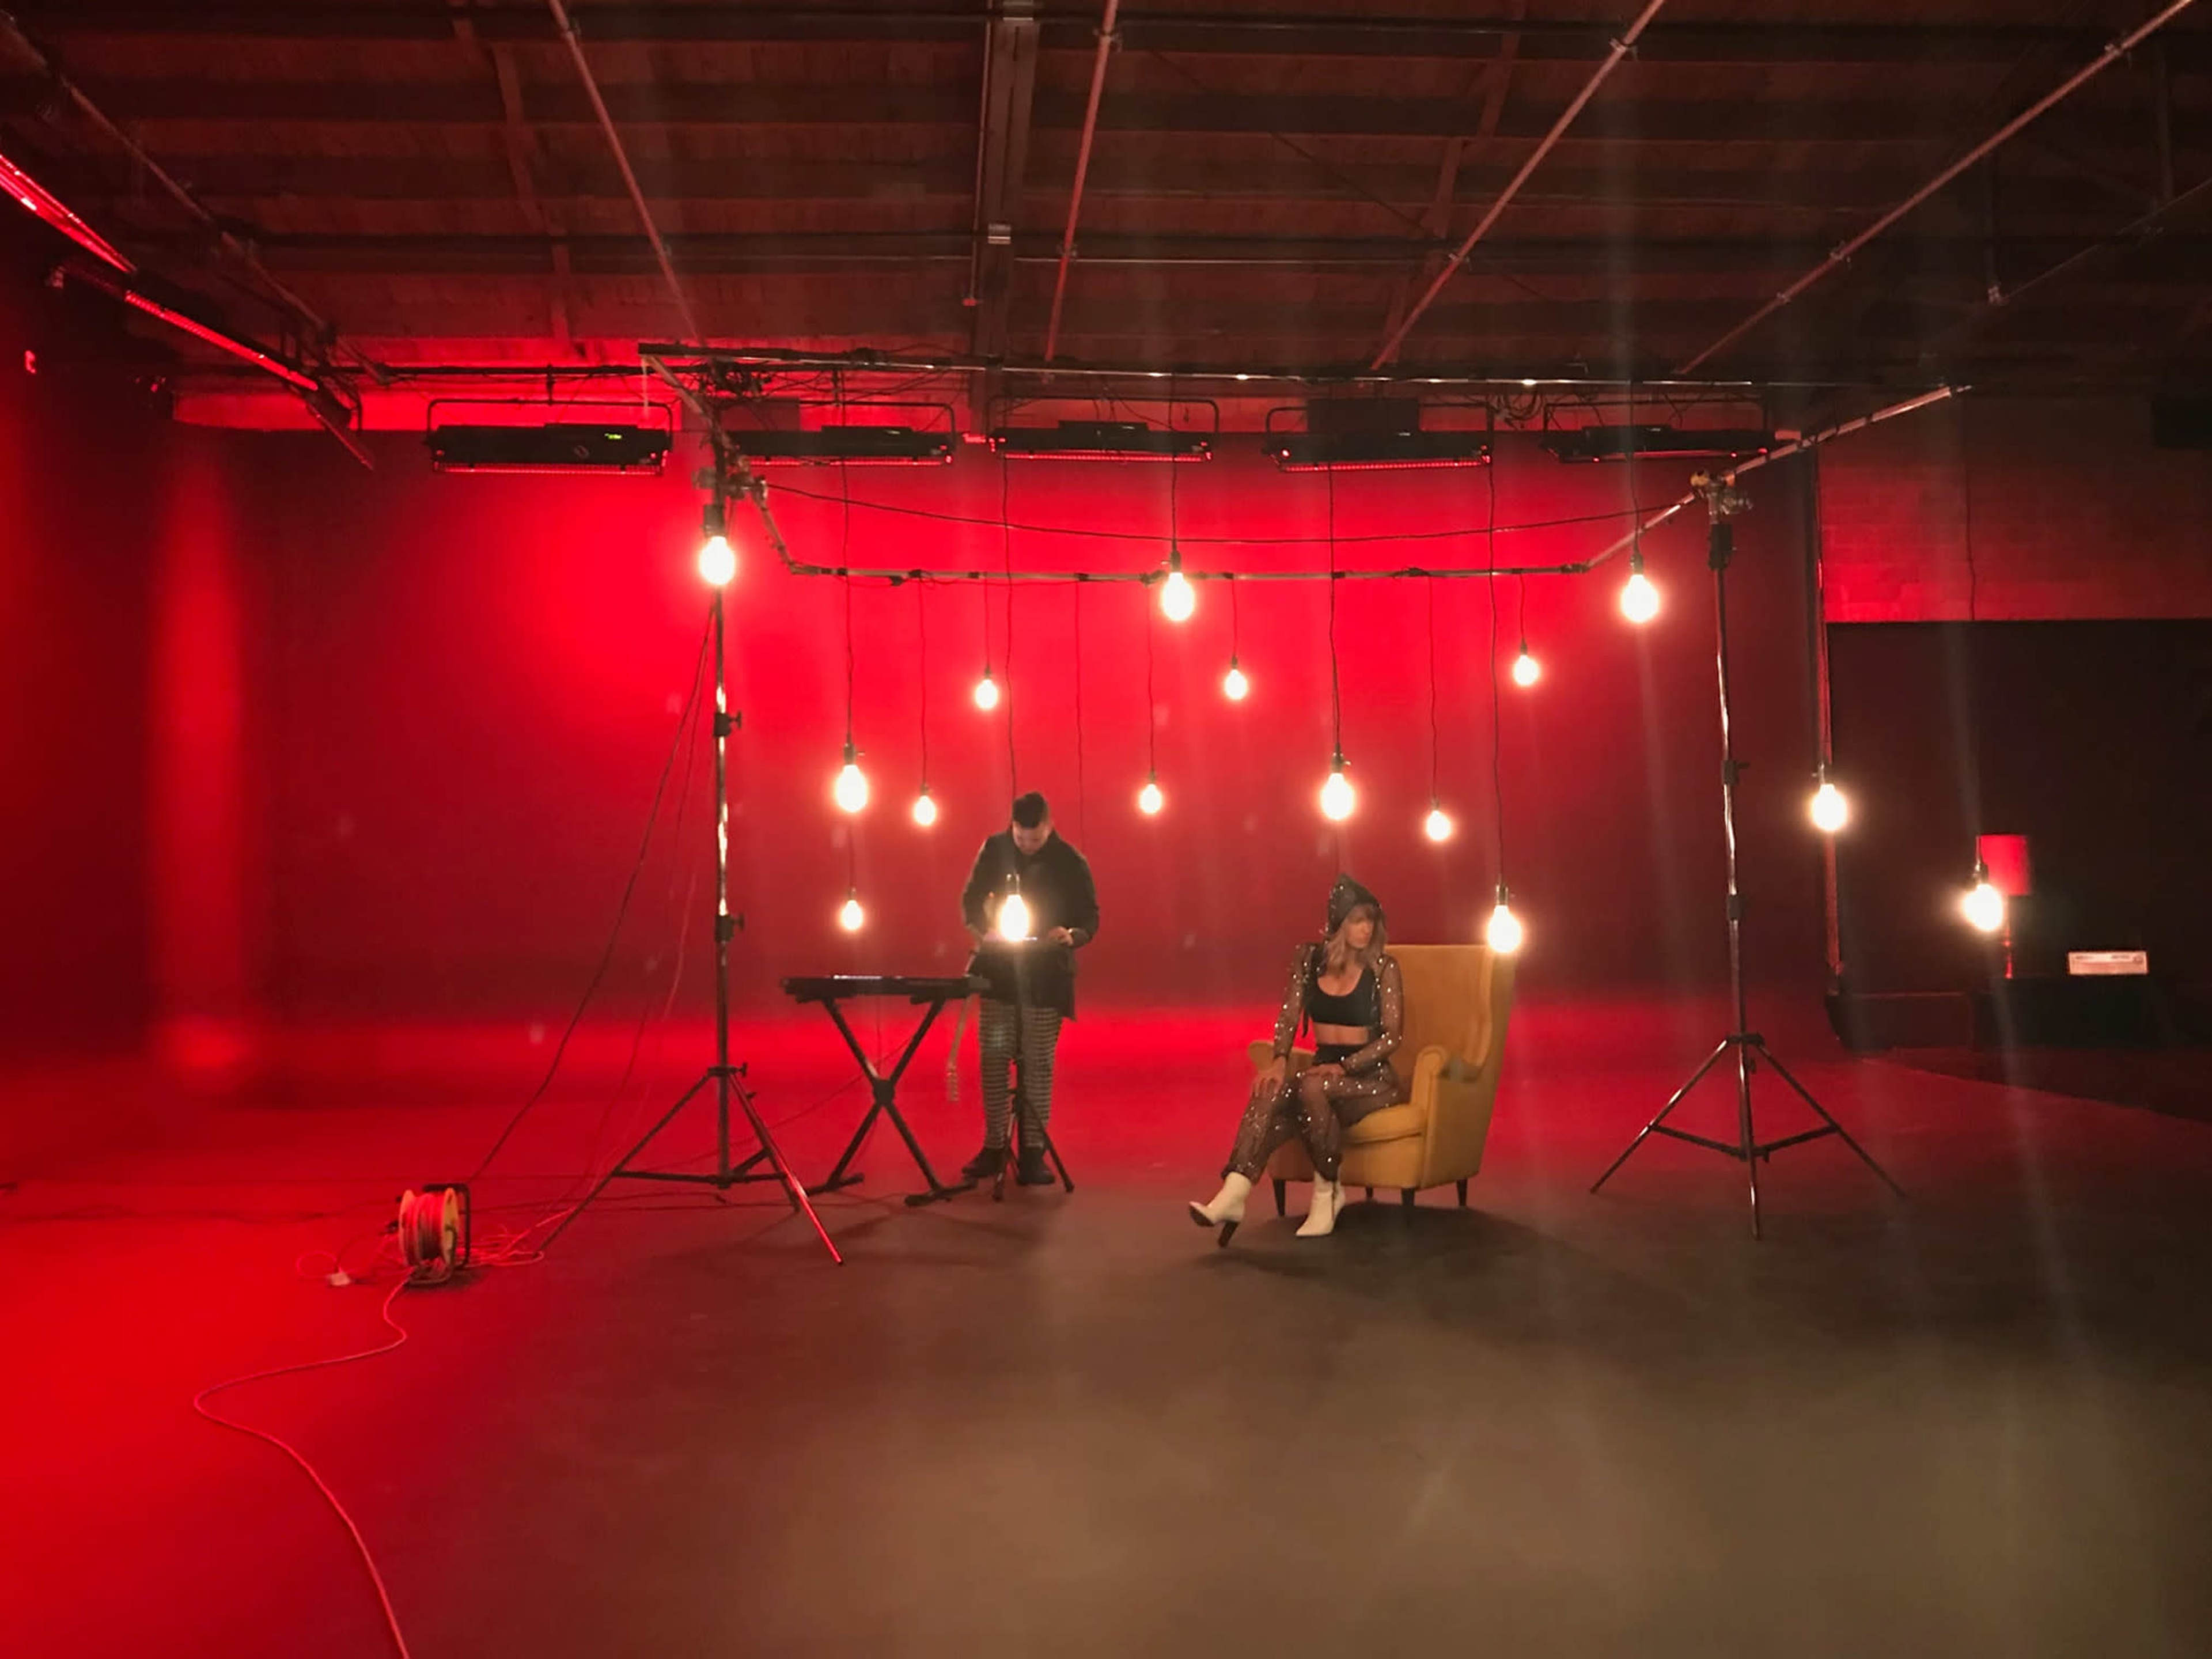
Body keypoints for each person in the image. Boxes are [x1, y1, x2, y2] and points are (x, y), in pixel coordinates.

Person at [1190, 874, 1403, 1243]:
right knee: (1272, 1090)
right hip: (1321, 1074)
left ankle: (1328, 1192)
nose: (1367, 928)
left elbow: (1392, 1037)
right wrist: (1279, 1060)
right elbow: (1289, 1016)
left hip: (1372, 1078)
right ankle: (1233, 1193)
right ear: (1338, 923)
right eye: (1357, 920)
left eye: (1371, 920)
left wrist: (1346, 1066)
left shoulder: (1384, 968)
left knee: (1313, 1087)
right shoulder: (1308, 960)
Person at [958, 791, 1099, 1185]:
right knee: (994, 1055)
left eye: (1034, 840)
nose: (1027, 846)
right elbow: (970, 900)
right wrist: (985, 934)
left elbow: (1090, 915)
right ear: (1013, 828)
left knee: (1038, 1062)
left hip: (1047, 974)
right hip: (1000, 971)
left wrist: (1071, 935)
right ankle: (994, 1145)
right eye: (1020, 838)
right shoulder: (995, 849)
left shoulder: (1070, 861)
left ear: (1049, 827)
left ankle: (1033, 1151)